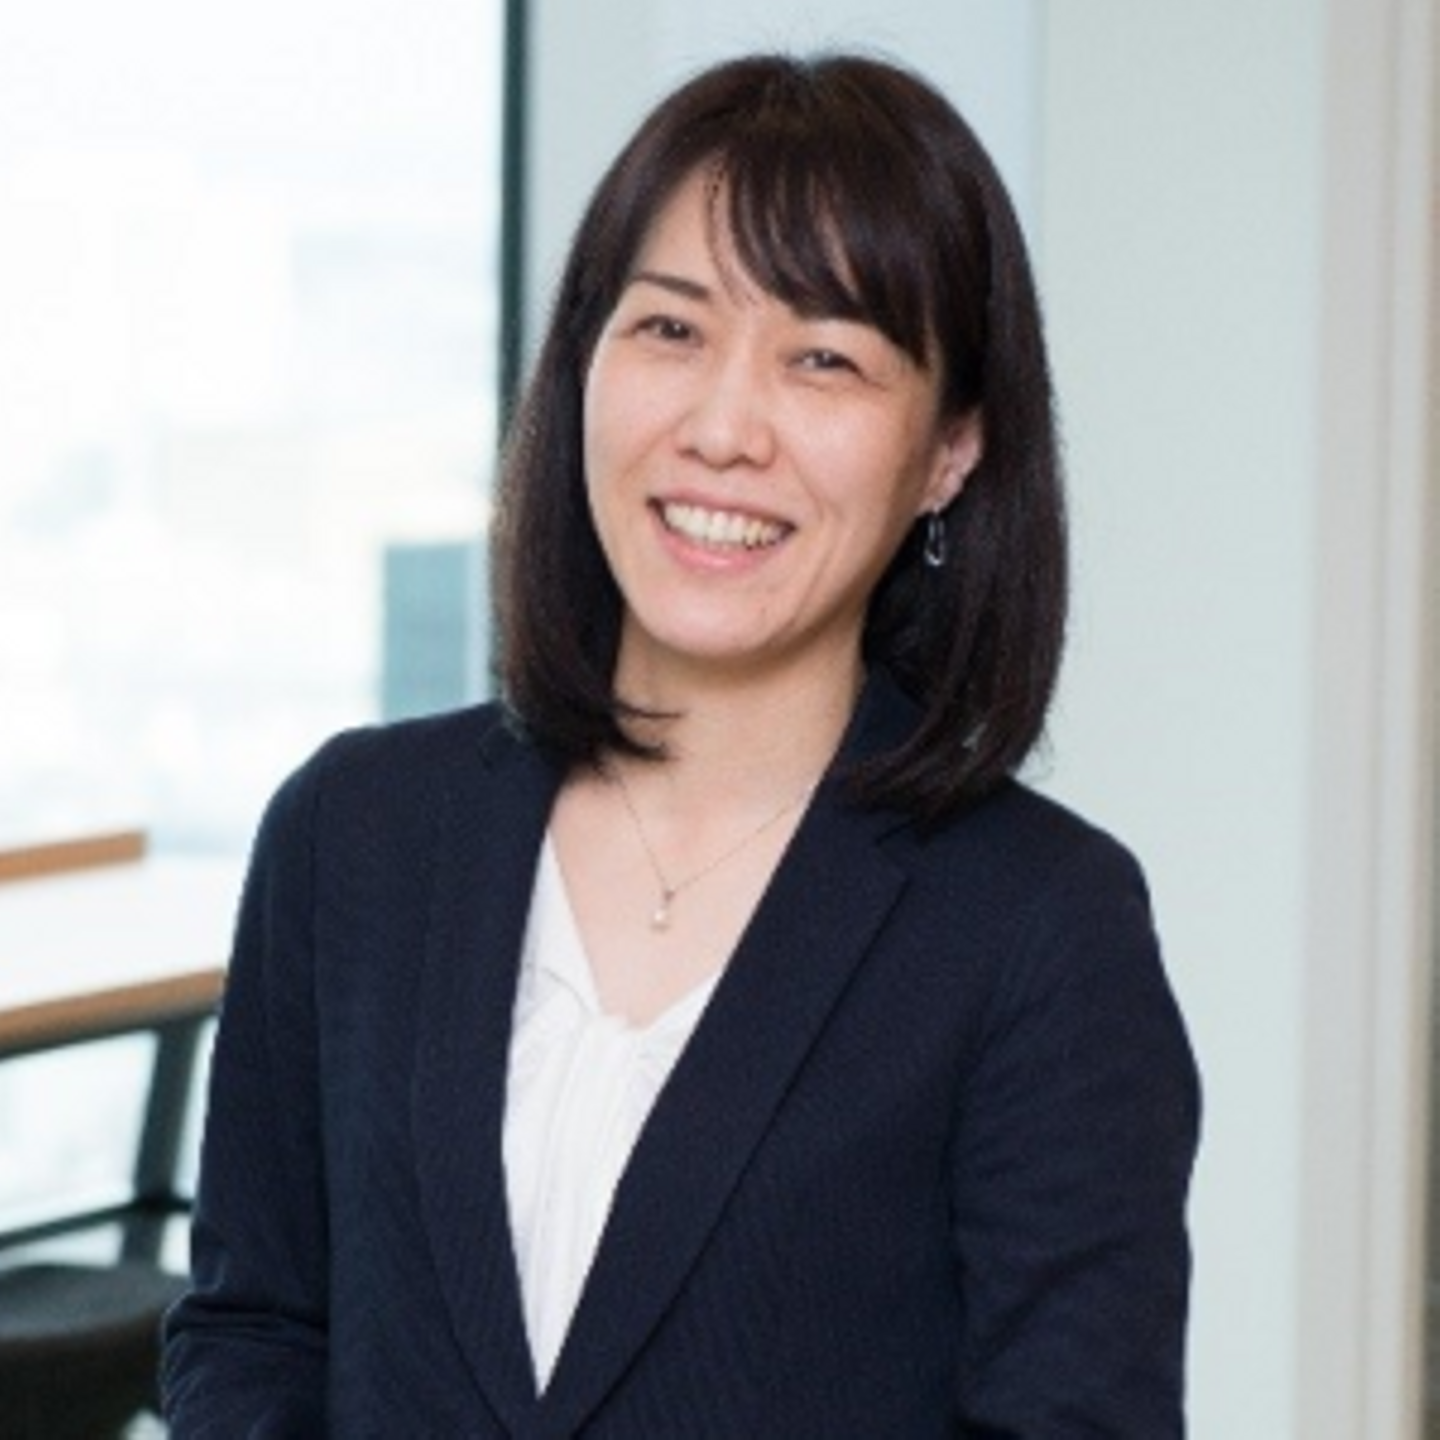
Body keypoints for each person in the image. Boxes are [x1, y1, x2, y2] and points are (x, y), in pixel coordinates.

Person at [163, 50, 1200, 1437]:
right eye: (670, 329)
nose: (723, 428)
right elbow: (254, 1329)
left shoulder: (1041, 926)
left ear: (950, 450)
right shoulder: (354, 831)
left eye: (824, 358)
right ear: (583, 362)